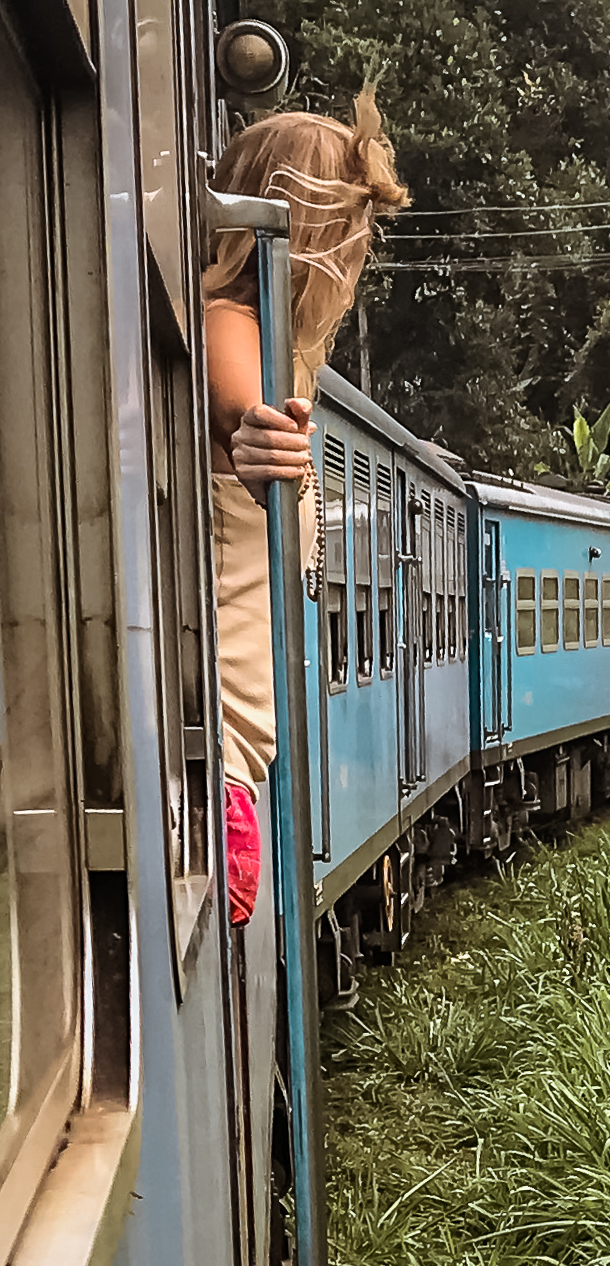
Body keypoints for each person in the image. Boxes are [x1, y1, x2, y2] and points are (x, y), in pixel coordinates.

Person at [204, 88, 408, 924]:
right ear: (306, 243)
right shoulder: (227, 328)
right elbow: (243, 414)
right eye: (349, 242)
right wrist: (261, 437)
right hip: (214, 775)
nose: (355, 268)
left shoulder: (278, 356)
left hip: (234, 769)